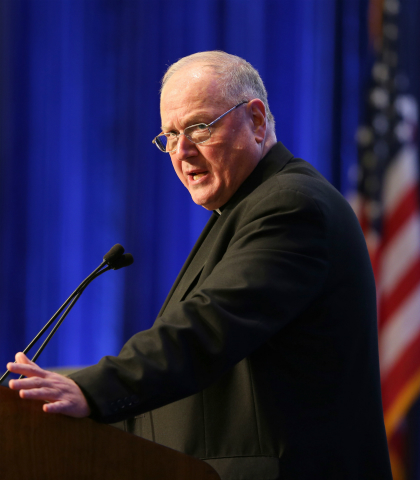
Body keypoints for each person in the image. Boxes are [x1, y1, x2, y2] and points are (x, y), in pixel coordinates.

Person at [7, 51, 392, 480]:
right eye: (169, 136)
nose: (182, 151)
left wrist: (92, 389)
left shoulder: (291, 206)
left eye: (199, 127)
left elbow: (208, 326)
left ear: (257, 120)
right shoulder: (242, 209)